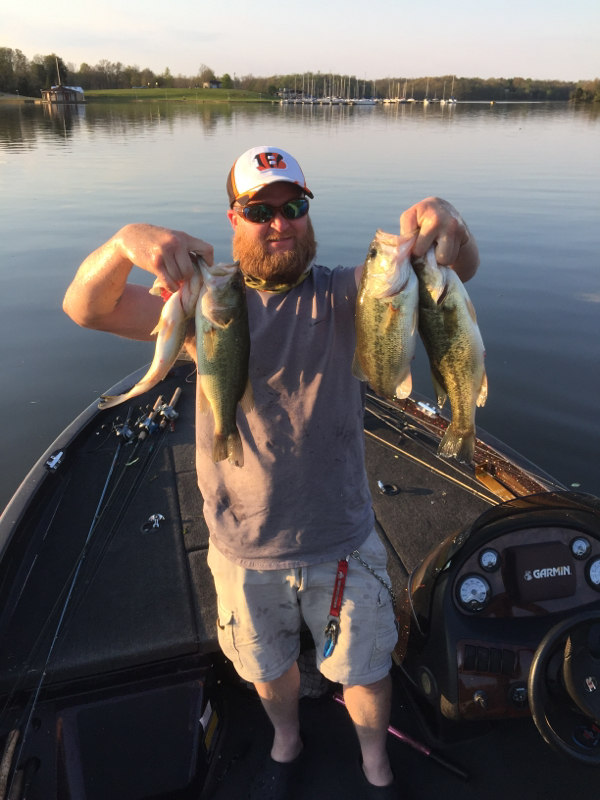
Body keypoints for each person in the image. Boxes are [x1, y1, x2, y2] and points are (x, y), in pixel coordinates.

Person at [63, 146, 479, 800]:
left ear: (309, 213)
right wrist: (121, 245)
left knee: (367, 671)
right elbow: (86, 309)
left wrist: (450, 226)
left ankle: (377, 765)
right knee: (267, 666)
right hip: (242, 545)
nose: (280, 222)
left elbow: (456, 269)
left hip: (343, 538)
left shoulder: (352, 292)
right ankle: (286, 742)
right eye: (260, 210)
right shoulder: (205, 301)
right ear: (234, 218)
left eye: (294, 207)